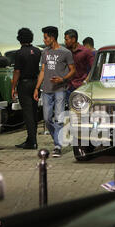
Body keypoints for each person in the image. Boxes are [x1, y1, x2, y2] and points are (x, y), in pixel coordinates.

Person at [34, 26, 75, 158]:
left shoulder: (65, 52)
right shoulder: (45, 52)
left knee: (58, 118)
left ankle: (57, 146)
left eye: (46, 37)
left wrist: (63, 79)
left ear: (52, 38)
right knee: (46, 118)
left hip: (60, 90)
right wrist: (37, 88)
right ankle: (58, 139)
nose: (44, 40)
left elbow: (73, 70)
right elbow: (42, 71)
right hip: (46, 90)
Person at [11, 28, 41, 150]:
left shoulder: (19, 53)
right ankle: (30, 139)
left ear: (19, 39)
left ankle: (32, 142)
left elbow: (17, 72)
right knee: (34, 112)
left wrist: (13, 87)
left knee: (27, 113)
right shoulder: (38, 51)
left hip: (24, 84)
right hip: (35, 83)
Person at [64, 29, 94, 105]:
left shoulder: (86, 51)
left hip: (81, 86)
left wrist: (85, 81)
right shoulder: (66, 51)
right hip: (69, 86)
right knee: (70, 110)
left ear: (73, 39)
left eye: (66, 39)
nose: (65, 42)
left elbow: (93, 68)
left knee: (81, 111)